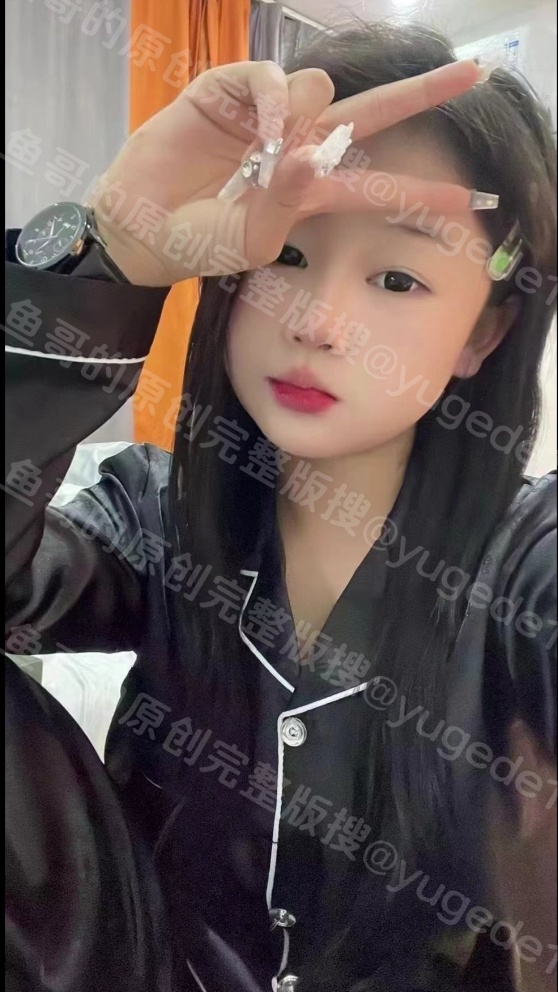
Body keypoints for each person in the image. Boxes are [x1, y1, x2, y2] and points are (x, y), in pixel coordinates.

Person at [5, 20, 557, 992]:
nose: (318, 323)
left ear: (484, 333)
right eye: (289, 256)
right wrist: (109, 251)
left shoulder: (525, 558)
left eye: (397, 277)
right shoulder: (154, 512)